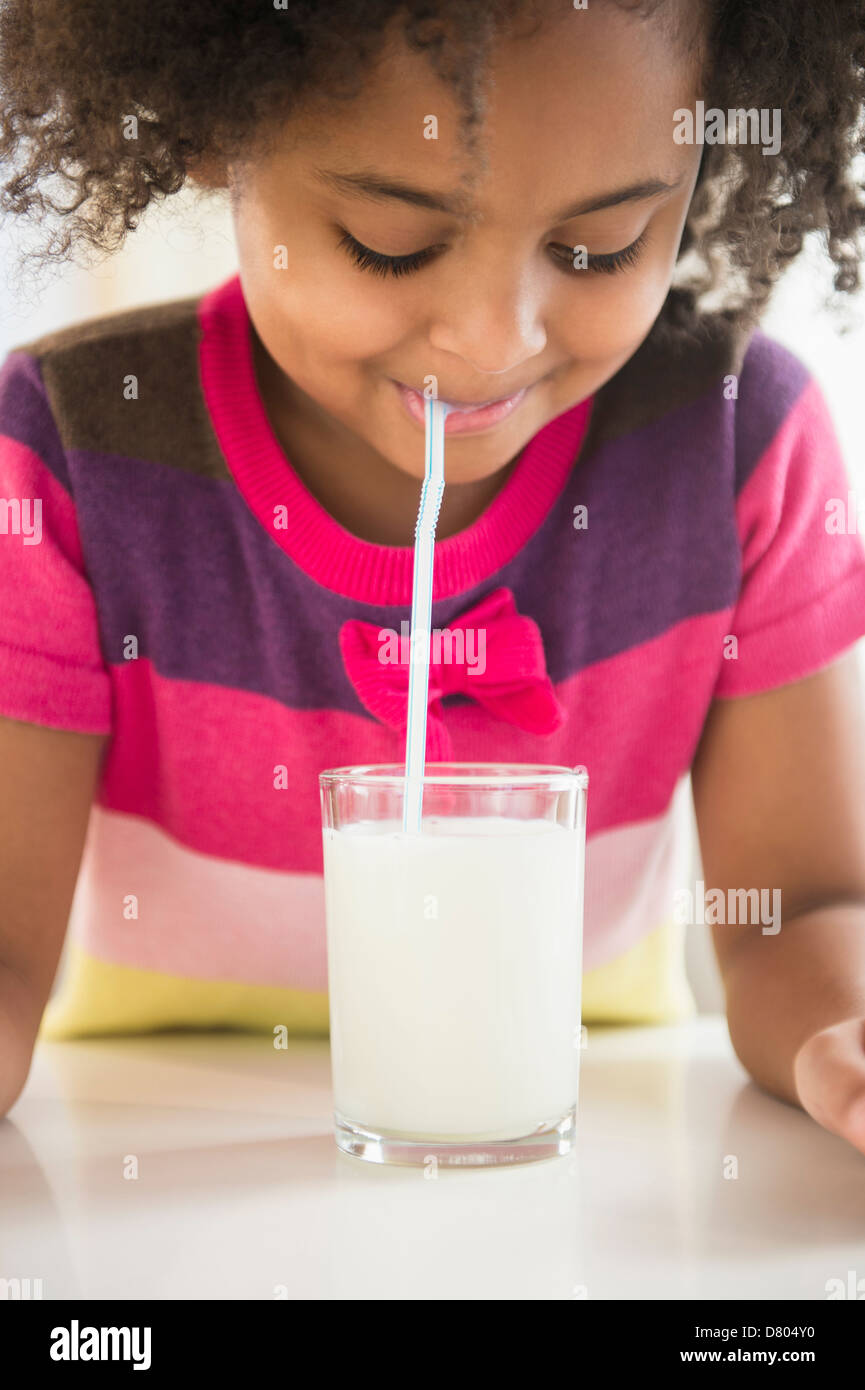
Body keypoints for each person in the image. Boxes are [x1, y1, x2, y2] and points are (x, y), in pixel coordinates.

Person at [1, 0, 865, 1156]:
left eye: (599, 248)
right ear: (216, 133)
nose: (488, 342)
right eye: (389, 242)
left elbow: (802, 915)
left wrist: (841, 1035)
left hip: (589, 1145)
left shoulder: (734, 446)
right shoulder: (69, 456)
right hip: (145, 1150)